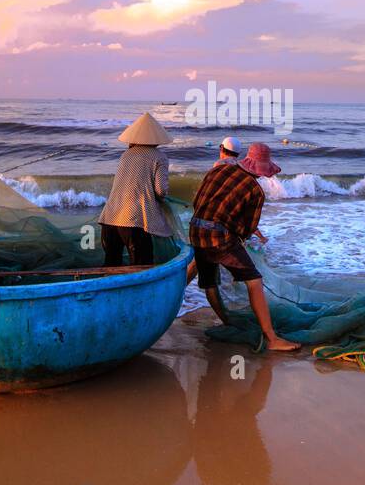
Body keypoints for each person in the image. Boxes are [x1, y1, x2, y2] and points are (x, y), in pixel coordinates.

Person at [190, 142, 300, 352]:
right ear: (261, 169)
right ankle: (272, 339)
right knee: (254, 281)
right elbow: (246, 229)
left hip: (195, 230)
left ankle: (226, 321)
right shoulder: (255, 190)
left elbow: (198, 201)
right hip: (218, 238)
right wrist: (236, 239)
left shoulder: (220, 168)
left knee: (209, 282)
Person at [98, 113, 173, 266]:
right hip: (134, 221)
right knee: (141, 266)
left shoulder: (125, 155)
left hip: (110, 217)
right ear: (156, 138)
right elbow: (161, 190)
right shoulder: (159, 157)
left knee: (111, 266)